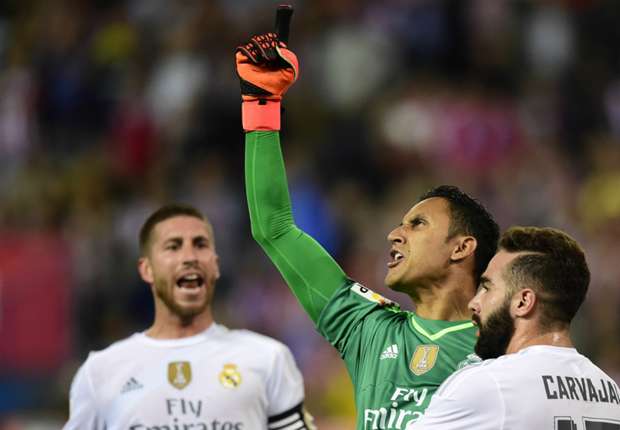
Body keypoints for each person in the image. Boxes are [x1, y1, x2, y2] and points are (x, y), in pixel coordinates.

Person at [236, 31, 500, 428]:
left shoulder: (503, 349)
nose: (395, 235)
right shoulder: (369, 329)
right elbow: (273, 227)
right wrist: (261, 105)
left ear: (461, 247)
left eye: (418, 224)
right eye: (400, 224)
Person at [64, 204, 314, 430]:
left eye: (200, 245)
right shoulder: (101, 372)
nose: (190, 257)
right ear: (147, 269)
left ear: (215, 265)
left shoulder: (268, 359)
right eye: (173, 246)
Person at [415, 226, 620, 429]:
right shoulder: (611, 391)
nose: (474, 303)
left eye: (487, 287)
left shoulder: (490, 383)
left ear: (523, 302)